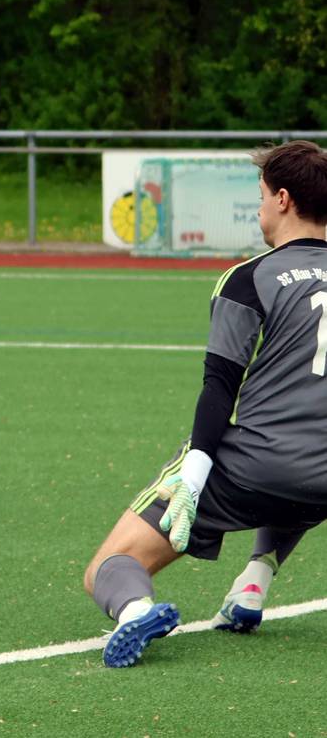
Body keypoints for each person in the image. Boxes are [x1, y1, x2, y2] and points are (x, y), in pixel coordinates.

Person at [83, 140, 327, 667]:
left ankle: (135, 610)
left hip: (254, 471)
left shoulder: (249, 278)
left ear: (283, 199)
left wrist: (192, 480)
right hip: (321, 481)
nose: (259, 208)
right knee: (306, 466)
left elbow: (219, 388)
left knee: (110, 563)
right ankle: (254, 582)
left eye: (261, 196)